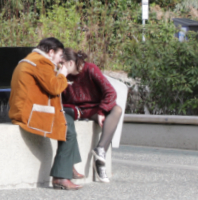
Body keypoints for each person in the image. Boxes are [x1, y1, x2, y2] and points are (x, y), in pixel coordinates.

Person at [9, 37, 82, 191]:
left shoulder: (31, 60)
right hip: (29, 115)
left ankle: (68, 165)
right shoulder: (42, 63)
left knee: (68, 118)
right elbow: (55, 88)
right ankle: (61, 177)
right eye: (60, 55)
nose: (60, 60)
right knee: (67, 130)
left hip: (25, 110)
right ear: (50, 52)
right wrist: (63, 73)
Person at [62, 49, 122, 183]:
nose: (60, 67)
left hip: (94, 109)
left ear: (71, 63)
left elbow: (111, 92)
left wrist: (101, 111)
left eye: (62, 63)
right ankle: (100, 159)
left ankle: (100, 150)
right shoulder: (62, 76)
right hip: (76, 111)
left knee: (117, 109)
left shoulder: (90, 69)